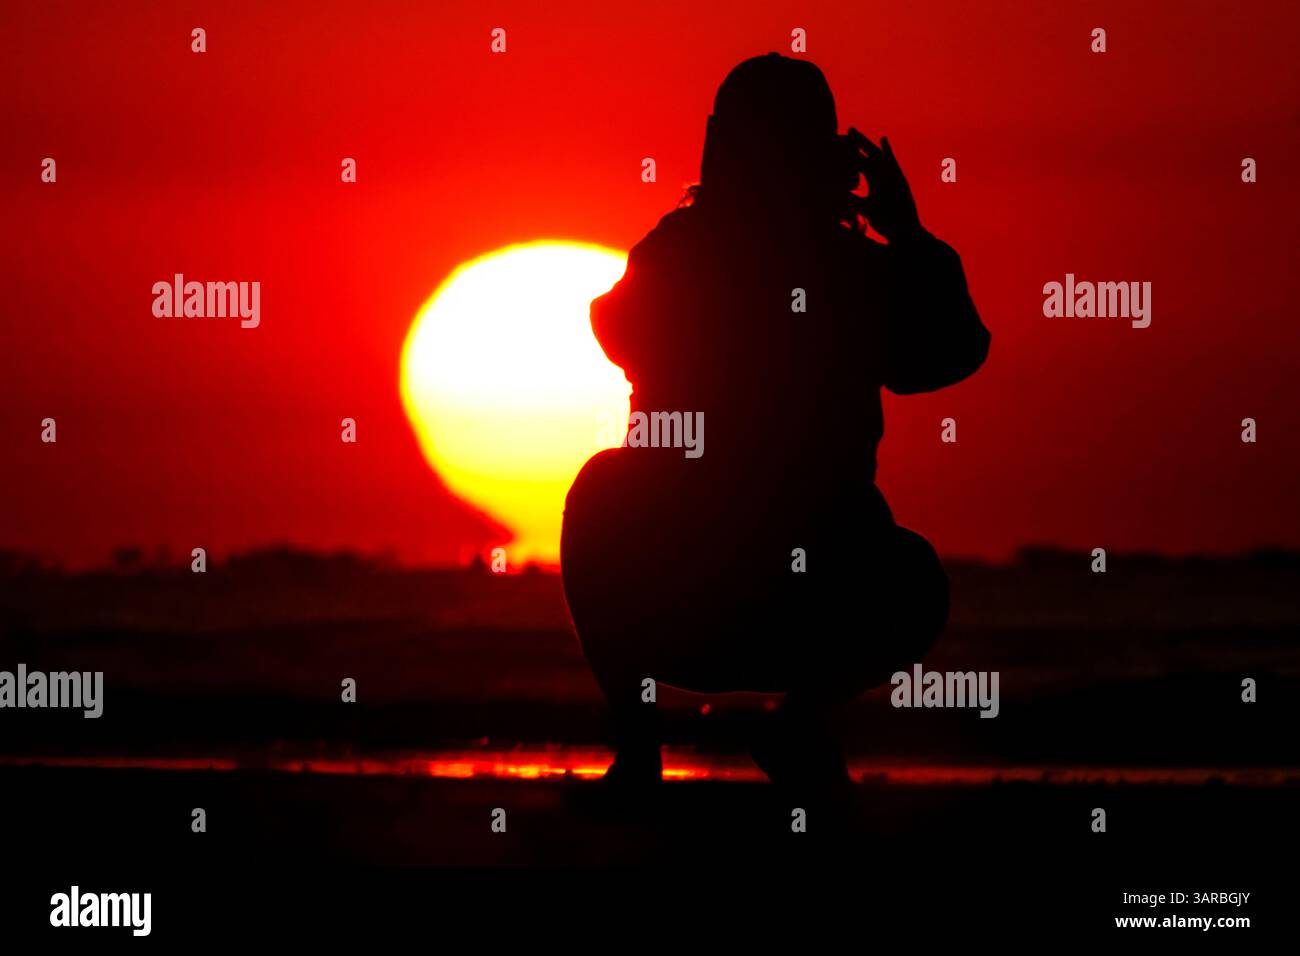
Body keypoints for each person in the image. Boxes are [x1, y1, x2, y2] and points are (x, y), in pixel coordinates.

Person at [561, 53, 990, 792]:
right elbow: (950, 352)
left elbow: (614, 330)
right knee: (910, 575)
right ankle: (792, 726)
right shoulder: (849, 269)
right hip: (758, 595)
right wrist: (909, 240)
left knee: (601, 489)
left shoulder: (684, 252)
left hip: (711, 597)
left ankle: (663, 746)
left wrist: (906, 243)